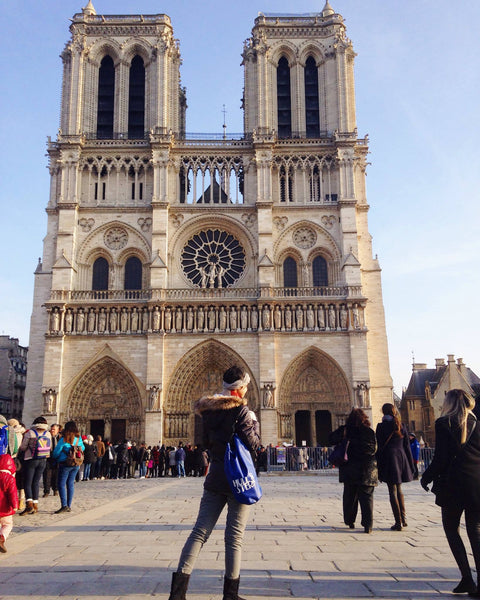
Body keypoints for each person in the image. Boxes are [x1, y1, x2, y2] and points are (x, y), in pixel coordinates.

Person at [168, 365, 260, 600]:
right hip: (238, 479)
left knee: (199, 532)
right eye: (246, 386)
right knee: (234, 537)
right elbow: (253, 445)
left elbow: (206, 443)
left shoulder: (209, 412)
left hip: (216, 474)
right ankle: (230, 595)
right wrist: (253, 424)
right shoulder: (243, 412)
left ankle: (177, 595)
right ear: (239, 389)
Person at [421, 389, 480, 596]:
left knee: (452, 529)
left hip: (454, 484)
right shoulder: (477, 423)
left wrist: (426, 477)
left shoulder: (444, 423)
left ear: (449, 403)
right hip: (476, 484)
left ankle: (467, 579)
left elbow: (441, 459)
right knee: (476, 531)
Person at [330, 408, 378, 533]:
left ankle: (350, 520)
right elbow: (374, 449)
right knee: (367, 497)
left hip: (351, 468)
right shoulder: (369, 431)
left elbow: (330, 439)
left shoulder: (346, 430)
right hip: (367, 469)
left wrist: (344, 432)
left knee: (350, 496)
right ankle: (368, 525)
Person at [375, 403, 414, 531]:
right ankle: (403, 519)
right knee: (399, 489)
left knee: (392, 491)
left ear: (383, 412)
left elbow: (379, 447)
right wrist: (411, 465)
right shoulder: (401, 425)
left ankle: (398, 522)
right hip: (401, 459)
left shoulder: (381, 427)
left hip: (388, 459)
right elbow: (407, 446)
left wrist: (378, 465)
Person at [19, 416, 52, 515]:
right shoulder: (48, 434)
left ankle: (29, 505)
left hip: (31, 459)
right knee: (36, 482)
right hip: (43, 460)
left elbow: (23, 447)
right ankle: (35, 505)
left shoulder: (30, 433)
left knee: (28, 482)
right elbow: (50, 447)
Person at [52, 421, 85, 513]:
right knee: (70, 484)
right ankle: (69, 505)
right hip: (76, 464)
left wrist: (55, 457)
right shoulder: (79, 439)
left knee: (61, 484)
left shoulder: (64, 439)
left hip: (65, 463)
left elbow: (56, 451)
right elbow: (83, 448)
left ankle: (64, 505)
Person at [0, 453, 18, 552]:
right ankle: (2, 537)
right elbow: (13, 493)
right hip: (5, 508)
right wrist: (15, 505)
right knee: (7, 525)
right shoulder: (10, 478)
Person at [43, 423, 60, 496]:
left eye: (54, 429)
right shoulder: (47, 436)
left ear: (58, 430)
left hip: (57, 458)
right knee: (47, 475)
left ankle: (55, 489)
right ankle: (46, 491)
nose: (52, 431)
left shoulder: (60, 438)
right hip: (48, 457)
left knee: (56, 475)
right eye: (51, 429)